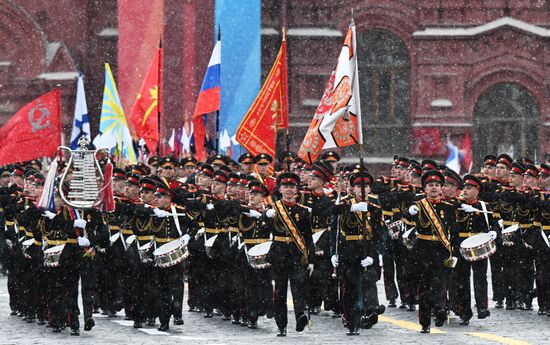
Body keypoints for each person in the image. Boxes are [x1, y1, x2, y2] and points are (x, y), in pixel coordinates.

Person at [331, 170, 386, 335]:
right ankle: (351, 322)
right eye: (358, 185)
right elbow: (334, 223)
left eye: (366, 185)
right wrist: (333, 253)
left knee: (369, 281)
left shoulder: (375, 206)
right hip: (348, 249)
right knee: (350, 287)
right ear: (352, 188)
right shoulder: (344, 202)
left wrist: (374, 254)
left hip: (367, 249)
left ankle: (369, 312)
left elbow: (379, 232)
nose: (362, 189)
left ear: (370, 188)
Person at [406, 170, 457, 334]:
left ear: (441, 188)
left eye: (437, 185)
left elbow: (453, 232)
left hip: (441, 250)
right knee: (425, 287)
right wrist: (410, 212)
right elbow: (406, 218)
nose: (434, 187)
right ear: (425, 189)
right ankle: (425, 322)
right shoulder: (418, 205)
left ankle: (441, 310)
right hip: (422, 250)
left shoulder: (448, 208)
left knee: (441, 283)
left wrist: (453, 252)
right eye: (430, 185)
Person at [266, 172, 314, 337]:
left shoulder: (304, 211)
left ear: (297, 189)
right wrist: (266, 218)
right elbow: (264, 233)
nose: (288, 189)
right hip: (278, 254)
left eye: (292, 186)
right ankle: (282, 325)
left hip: (297, 254)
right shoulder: (272, 209)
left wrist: (311, 259)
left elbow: (308, 237)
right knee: (279, 291)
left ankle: (300, 315)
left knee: (298, 287)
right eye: (285, 186)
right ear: (279, 189)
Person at [452, 174, 498, 325]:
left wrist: (494, 231)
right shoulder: (456, 205)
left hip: (479, 246)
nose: (465, 190)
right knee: (462, 279)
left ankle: (482, 307)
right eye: (464, 187)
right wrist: (460, 206)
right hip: (461, 246)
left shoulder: (484, 206)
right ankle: (465, 311)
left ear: (477, 191)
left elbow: (495, 222)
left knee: (480, 277)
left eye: (469, 188)